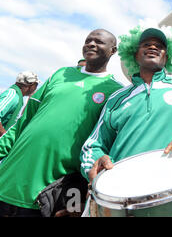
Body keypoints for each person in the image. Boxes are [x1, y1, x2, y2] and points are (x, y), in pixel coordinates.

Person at [0, 29, 123, 217]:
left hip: (46, 195)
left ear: (113, 50)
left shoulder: (115, 91)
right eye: (88, 40)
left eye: (99, 42)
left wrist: (78, 201)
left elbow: (102, 145)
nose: (91, 44)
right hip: (7, 180)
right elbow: (24, 120)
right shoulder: (61, 74)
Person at [81, 26, 172, 183]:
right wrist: (96, 161)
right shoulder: (117, 97)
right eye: (146, 44)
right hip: (120, 187)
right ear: (135, 55)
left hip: (170, 184)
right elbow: (92, 146)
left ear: (167, 57)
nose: (153, 47)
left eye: (160, 46)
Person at [0, 71, 40, 136]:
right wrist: (4, 136)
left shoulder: (17, 97)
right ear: (31, 85)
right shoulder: (13, 95)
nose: (36, 88)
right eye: (36, 85)